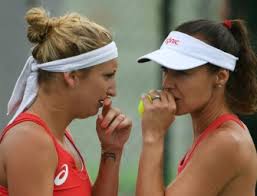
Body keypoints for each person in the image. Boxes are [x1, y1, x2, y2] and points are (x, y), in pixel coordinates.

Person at [0, 7, 132, 196]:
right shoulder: (30, 140)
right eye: (108, 76)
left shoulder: (58, 136)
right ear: (71, 76)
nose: (113, 90)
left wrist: (112, 150)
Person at [136, 19, 257, 196]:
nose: (167, 83)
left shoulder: (226, 142)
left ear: (221, 77)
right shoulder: (213, 135)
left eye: (182, 72)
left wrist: (153, 136)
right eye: (165, 70)